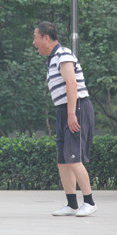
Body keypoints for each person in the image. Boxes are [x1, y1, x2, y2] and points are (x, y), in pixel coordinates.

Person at [32, 21, 97, 217]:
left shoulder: (64, 54)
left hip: (76, 107)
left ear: (46, 37)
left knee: (74, 157)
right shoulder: (52, 59)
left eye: (35, 38)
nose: (34, 42)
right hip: (63, 109)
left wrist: (71, 114)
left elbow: (71, 84)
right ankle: (71, 204)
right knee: (63, 160)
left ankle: (90, 202)